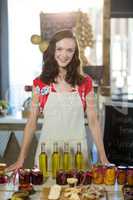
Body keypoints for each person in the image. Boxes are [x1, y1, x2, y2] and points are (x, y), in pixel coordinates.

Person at [6, 30, 109, 172]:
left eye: (69, 50)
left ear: (74, 54)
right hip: (47, 153)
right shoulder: (41, 84)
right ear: (53, 50)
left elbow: (93, 122)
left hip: (77, 154)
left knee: (79, 193)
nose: (64, 55)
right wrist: (20, 160)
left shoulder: (85, 83)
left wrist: (103, 158)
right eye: (59, 49)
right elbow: (31, 123)